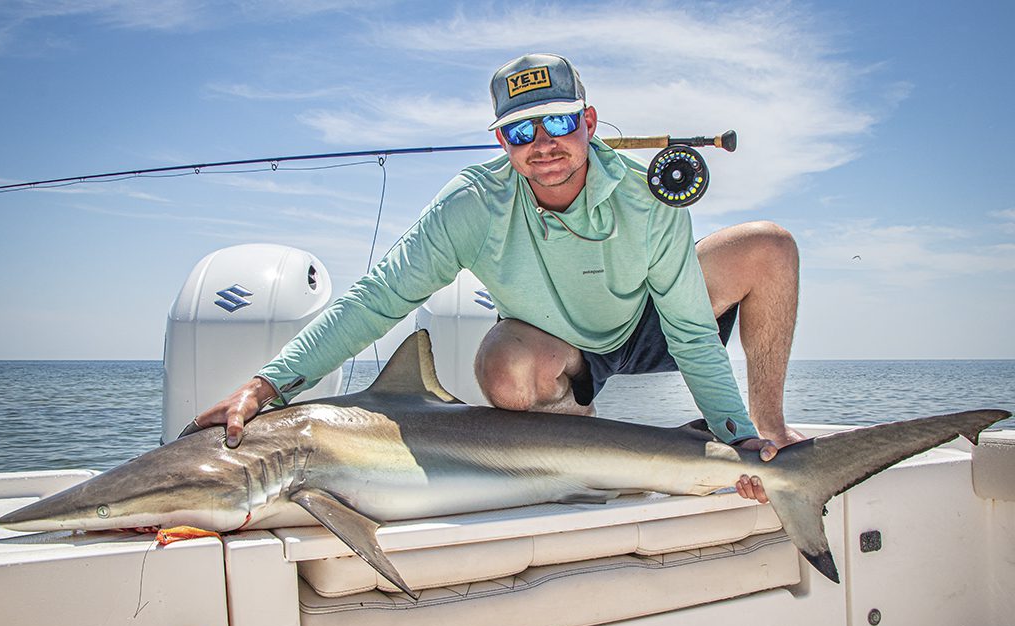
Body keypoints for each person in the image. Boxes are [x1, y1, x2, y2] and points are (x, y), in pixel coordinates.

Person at [194, 53, 804, 503]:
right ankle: (590, 465)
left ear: (588, 121)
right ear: (501, 142)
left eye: (558, 123)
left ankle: (769, 430)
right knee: (505, 366)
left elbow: (693, 335)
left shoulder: (648, 201)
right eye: (520, 131)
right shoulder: (473, 205)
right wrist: (266, 385)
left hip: (652, 319)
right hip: (563, 346)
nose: (542, 145)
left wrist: (739, 438)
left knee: (769, 246)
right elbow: (378, 298)